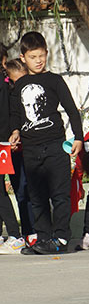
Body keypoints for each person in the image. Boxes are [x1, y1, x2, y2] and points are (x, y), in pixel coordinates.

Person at [8, 31, 83, 255]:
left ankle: (60, 238)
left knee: (60, 195)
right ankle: (42, 238)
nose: (38, 61)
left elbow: (71, 110)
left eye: (41, 55)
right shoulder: (20, 85)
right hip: (31, 150)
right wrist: (14, 131)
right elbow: (15, 114)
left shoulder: (54, 81)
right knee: (36, 196)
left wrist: (78, 137)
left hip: (55, 146)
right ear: (23, 58)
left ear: (47, 54)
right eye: (33, 57)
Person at [1, 57, 35, 246]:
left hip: (26, 148)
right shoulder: (10, 93)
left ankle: (32, 231)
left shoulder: (28, 92)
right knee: (20, 191)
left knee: (27, 190)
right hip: (12, 148)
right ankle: (26, 232)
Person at [0, 44, 24, 254]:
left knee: (0, 190)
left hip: (1, 142)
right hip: (4, 142)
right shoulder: (6, 85)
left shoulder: (3, 85)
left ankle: (15, 235)